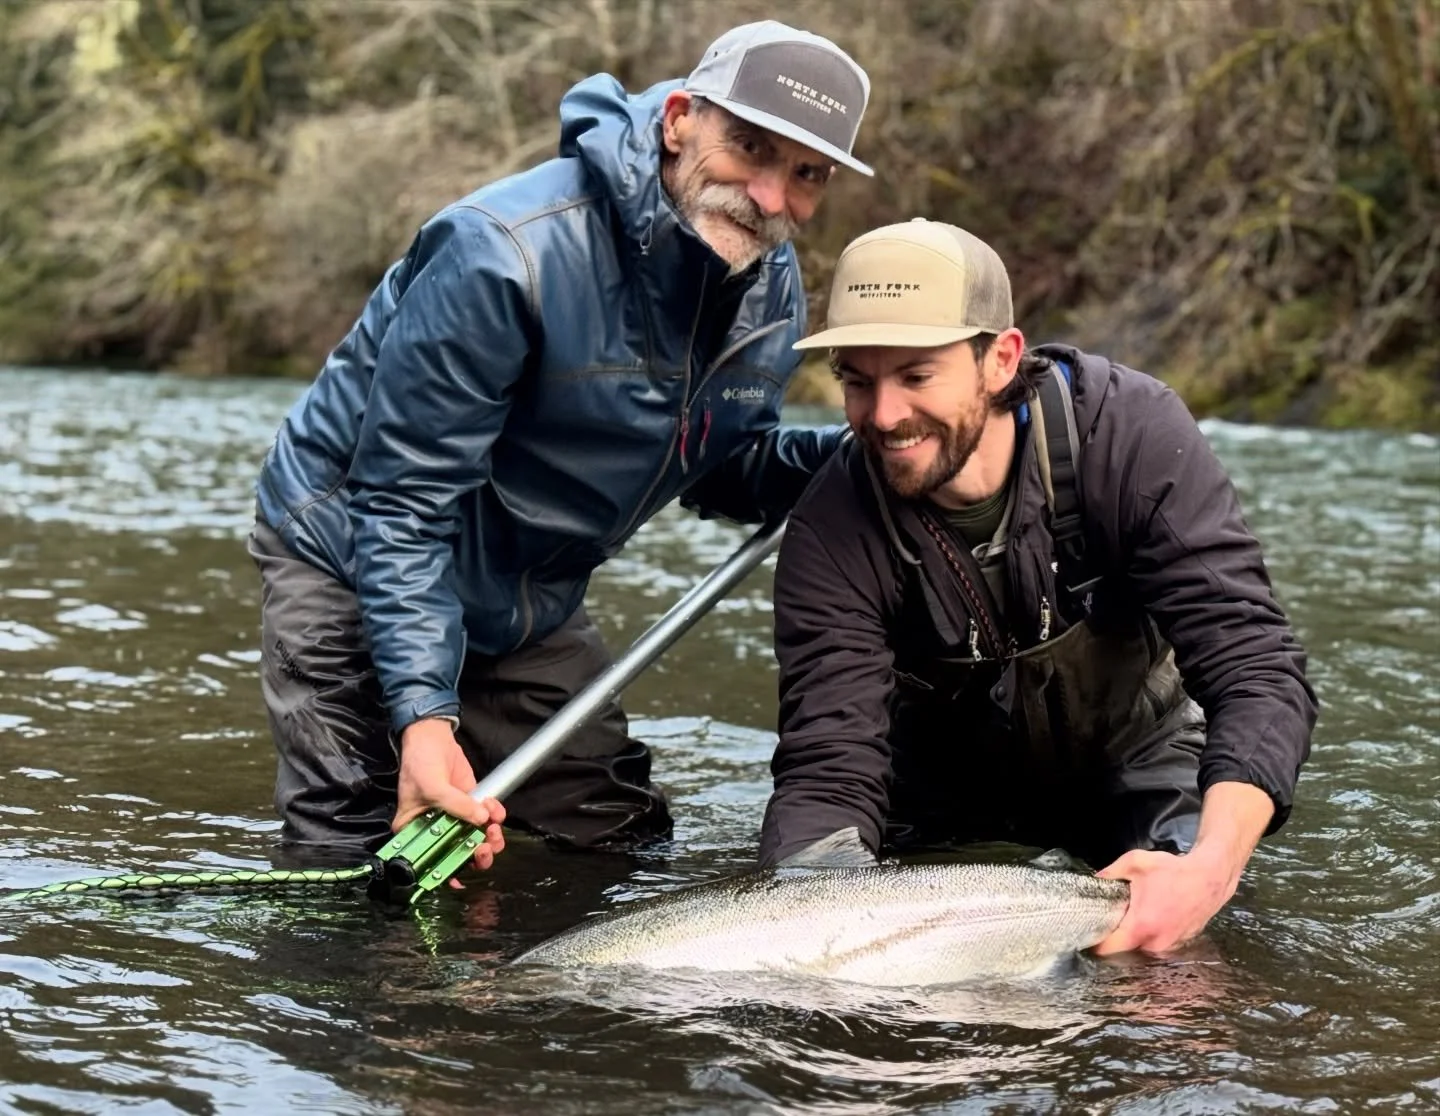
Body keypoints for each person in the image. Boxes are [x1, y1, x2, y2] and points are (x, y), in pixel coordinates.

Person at [246, 21, 875, 872]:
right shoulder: (503, 252)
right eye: (750, 148)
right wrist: (426, 719)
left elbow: (721, 464)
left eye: (807, 174)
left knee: (616, 845)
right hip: (350, 555)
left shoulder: (768, 289)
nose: (770, 197)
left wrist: (869, 452)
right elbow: (403, 504)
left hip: (526, 592)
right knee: (364, 856)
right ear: (679, 121)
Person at [757, 219, 1318, 953]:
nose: (885, 415)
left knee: (1179, 971)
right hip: (939, 806)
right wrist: (804, 929)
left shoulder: (1129, 437)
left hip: (1139, 766)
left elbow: (1255, 668)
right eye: (858, 381)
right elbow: (830, 769)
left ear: (1001, 358)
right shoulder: (830, 528)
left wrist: (1211, 870)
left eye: (917, 376)